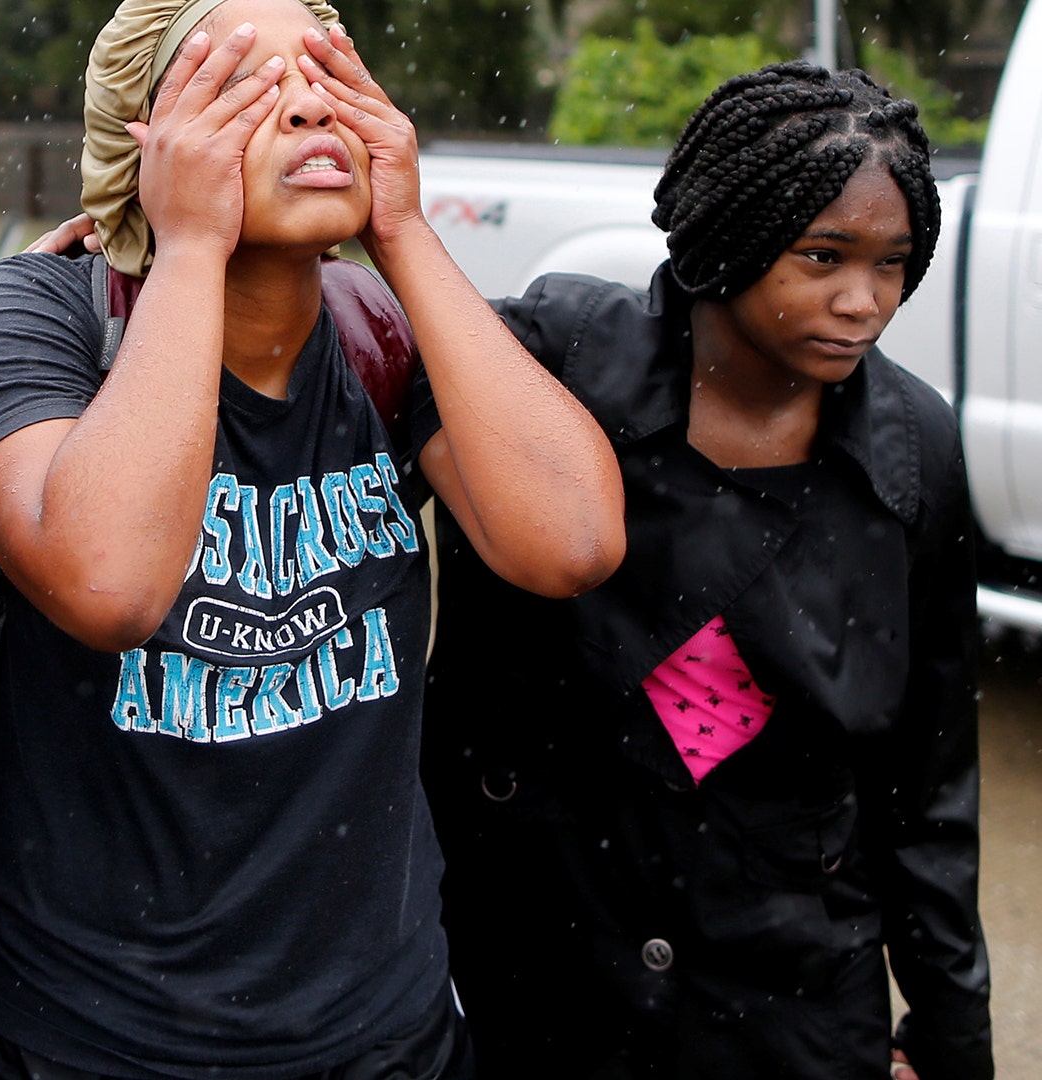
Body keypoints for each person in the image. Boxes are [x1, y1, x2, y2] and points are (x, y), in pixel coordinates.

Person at [0, 0, 625, 1075]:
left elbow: (571, 541)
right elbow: (109, 586)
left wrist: (405, 233)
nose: (309, 104)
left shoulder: (380, 327)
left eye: (332, 76)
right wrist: (192, 244)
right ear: (140, 140)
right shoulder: (38, 319)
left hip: (376, 1030)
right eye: (242, 85)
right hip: (91, 1033)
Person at [421, 62, 993, 1080]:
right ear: (727, 232)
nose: (863, 302)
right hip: (533, 973)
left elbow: (927, 782)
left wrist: (951, 1033)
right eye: (823, 257)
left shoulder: (911, 456)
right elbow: (332, 385)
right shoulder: (553, 372)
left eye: (893, 265)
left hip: (790, 995)